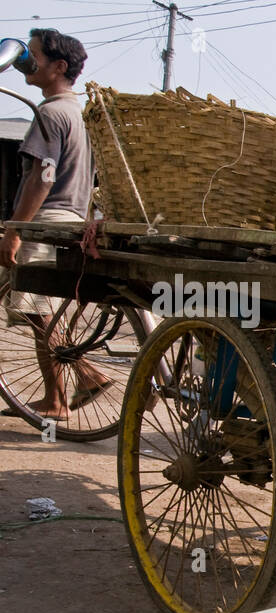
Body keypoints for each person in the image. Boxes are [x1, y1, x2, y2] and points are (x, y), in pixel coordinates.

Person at [0, 28, 104, 422]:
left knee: (37, 311)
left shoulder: (49, 112)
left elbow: (41, 178)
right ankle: (58, 395)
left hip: (46, 221)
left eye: (36, 55)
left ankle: (79, 379)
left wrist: (15, 230)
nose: (29, 61)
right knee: (41, 311)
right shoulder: (78, 114)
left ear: (58, 67)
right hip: (74, 220)